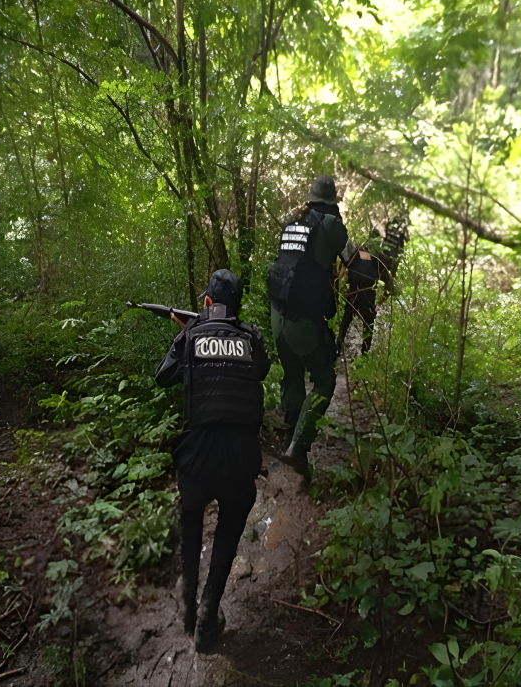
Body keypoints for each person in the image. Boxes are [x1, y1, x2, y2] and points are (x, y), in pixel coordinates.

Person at [154, 269, 270, 651]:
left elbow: (163, 376)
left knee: (190, 526)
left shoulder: (191, 335)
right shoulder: (251, 338)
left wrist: (185, 331)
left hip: (198, 457)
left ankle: (189, 607)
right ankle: (207, 616)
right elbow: (262, 369)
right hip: (240, 459)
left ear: (206, 302)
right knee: (226, 536)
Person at [268, 174, 348, 468]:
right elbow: (346, 251)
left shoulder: (291, 221)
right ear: (331, 201)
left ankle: (289, 428)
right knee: (325, 380)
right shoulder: (329, 225)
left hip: (278, 313)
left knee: (291, 372)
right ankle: (297, 448)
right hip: (302, 318)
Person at [336, 219, 408, 355]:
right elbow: (386, 278)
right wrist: (388, 293)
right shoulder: (379, 257)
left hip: (353, 292)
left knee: (347, 317)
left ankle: (338, 346)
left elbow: (344, 261)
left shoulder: (355, 252)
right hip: (367, 294)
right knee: (368, 322)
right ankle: (364, 352)